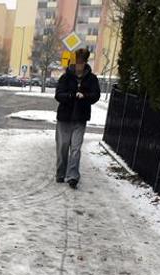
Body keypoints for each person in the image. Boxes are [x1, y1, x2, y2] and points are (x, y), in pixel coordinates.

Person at [55, 48, 100, 189]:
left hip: (80, 119)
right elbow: (58, 95)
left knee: (75, 148)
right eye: (78, 62)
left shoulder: (92, 79)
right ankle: (61, 173)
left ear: (85, 62)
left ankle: (73, 176)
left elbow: (96, 95)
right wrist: (70, 96)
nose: (79, 65)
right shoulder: (66, 77)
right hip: (64, 118)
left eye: (82, 62)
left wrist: (85, 96)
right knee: (63, 147)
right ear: (75, 62)